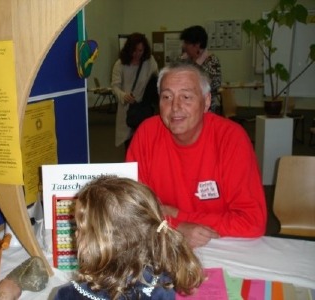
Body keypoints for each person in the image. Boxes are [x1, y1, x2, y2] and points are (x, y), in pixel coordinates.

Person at [126, 62, 267, 248]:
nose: (175, 107)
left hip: (222, 245)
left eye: (186, 97)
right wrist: (175, 227)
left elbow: (252, 222)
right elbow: (131, 211)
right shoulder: (147, 134)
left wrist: (178, 215)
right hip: (163, 242)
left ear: (206, 101)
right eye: (167, 97)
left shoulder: (231, 138)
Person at [54, 176, 204, 300]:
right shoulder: (162, 279)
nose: (75, 234)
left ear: (103, 243)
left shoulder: (70, 295)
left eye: (80, 229)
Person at [112, 32, 158, 151]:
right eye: (134, 50)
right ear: (128, 49)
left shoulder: (149, 62)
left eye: (140, 50)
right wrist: (123, 95)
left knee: (145, 145)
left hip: (144, 109)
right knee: (129, 145)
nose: (137, 54)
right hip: (127, 109)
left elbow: (157, 80)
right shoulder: (120, 64)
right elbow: (115, 87)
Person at [179, 25, 222, 113]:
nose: (184, 46)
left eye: (187, 43)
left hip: (204, 108)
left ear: (197, 44)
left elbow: (214, 85)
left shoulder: (211, 61)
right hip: (185, 105)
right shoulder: (183, 60)